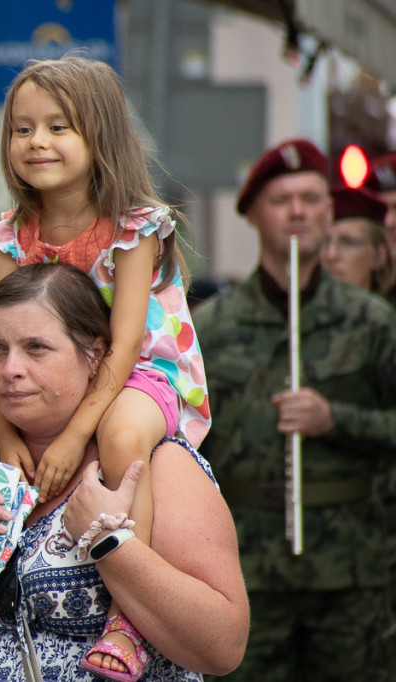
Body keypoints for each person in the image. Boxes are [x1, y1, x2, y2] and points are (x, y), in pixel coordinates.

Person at [0, 57, 212, 682]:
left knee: (120, 440)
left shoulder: (135, 226)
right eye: (22, 129)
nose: (37, 142)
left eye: (59, 127)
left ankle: (127, 623)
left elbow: (120, 349)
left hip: (142, 371)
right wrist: (9, 439)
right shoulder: (13, 232)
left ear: (100, 135)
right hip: (40, 381)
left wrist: (68, 438)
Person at [0, 263, 248, 681]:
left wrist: (111, 543)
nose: (10, 369)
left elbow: (223, 646)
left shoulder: (154, 464)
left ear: (94, 354)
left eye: (36, 348)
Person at [193, 138, 396, 680]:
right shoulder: (210, 329)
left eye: (311, 199)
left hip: (350, 567)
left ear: (329, 213)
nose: (299, 212)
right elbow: (186, 446)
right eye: (282, 200)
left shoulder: (372, 322)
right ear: (253, 215)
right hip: (245, 567)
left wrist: (338, 420)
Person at [322, 185, 394, 296]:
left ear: (379, 256)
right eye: (324, 243)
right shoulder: (296, 311)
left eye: (348, 242)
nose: (331, 255)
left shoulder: (387, 313)